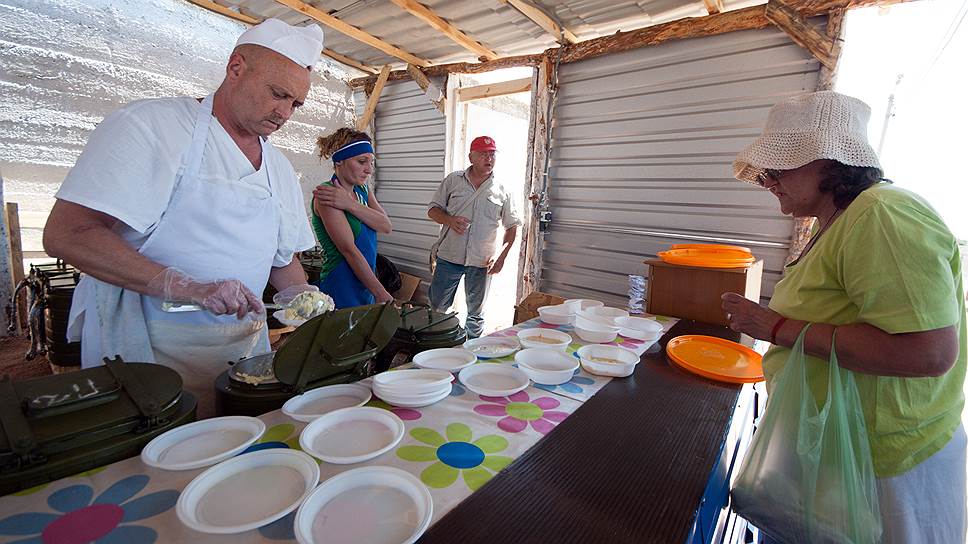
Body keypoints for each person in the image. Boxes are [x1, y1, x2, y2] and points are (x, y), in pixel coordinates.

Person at [42, 19, 324, 418]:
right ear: (236, 67)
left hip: (241, 348)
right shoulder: (152, 126)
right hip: (145, 346)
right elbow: (68, 233)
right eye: (278, 94)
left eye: (295, 104)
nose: (285, 114)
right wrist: (185, 286)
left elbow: (283, 261)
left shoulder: (278, 167)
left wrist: (305, 300)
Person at [721, 91, 966, 543]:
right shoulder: (835, 219)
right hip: (840, 448)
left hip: (885, 462)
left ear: (831, 164)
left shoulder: (882, 215)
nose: (767, 179)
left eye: (781, 164)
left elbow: (928, 352)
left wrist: (773, 327)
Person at [427, 136, 521, 338]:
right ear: (471, 157)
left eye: (492, 154)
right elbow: (433, 210)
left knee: (476, 315)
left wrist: (502, 256)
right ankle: (435, 345)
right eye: (483, 154)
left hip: (482, 260)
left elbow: (512, 226)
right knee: (437, 308)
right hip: (449, 256)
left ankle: (473, 353)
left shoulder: (502, 189)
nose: (489, 158)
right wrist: (449, 220)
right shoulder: (453, 180)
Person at [311, 128, 393, 308]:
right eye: (362, 162)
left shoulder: (362, 191)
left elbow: (386, 226)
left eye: (371, 163)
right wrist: (381, 293)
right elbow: (349, 250)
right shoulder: (327, 196)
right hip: (341, 286)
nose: (369, 170)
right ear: (339, 160)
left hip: (366, 282)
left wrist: (349, 204)